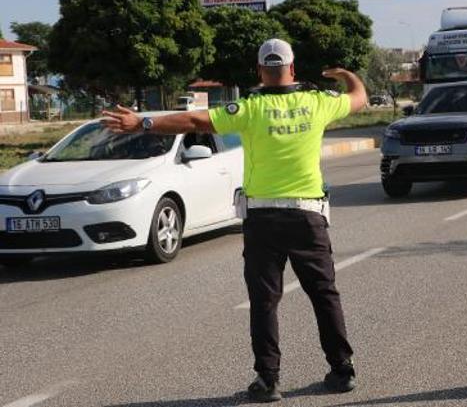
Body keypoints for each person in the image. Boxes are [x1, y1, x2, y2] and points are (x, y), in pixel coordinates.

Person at [101, 38, 368, 403]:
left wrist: (142, 122)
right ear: (292, 68)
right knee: (324, 295)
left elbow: (194, 119)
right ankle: (342, 370)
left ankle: (268, 380)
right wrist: (347, 75)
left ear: (260, 71)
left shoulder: (248, 108)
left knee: (264, 301)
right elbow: (358, 97)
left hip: (262, 218)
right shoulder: (318, 102)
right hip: (308, 216)